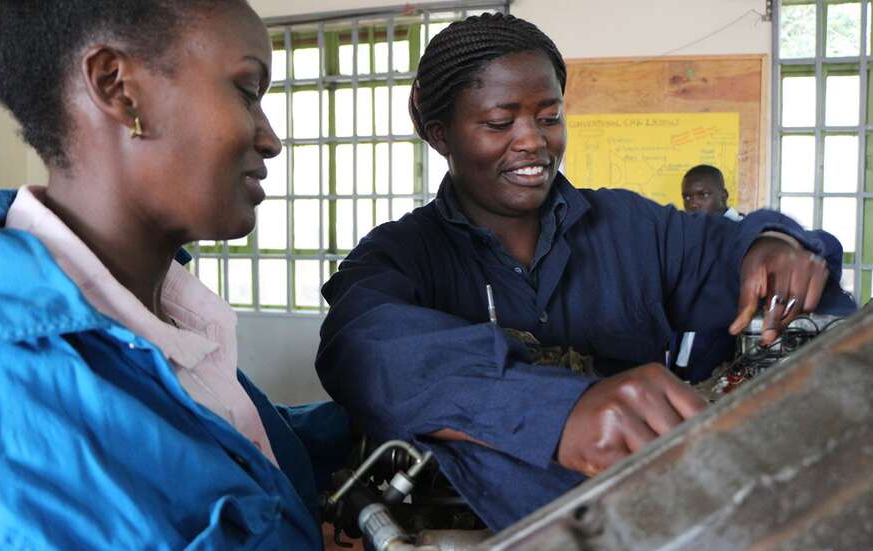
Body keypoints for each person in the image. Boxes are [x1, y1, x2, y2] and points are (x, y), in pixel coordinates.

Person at [316, 13, 855, 531]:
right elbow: (361, 345)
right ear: (440, 135)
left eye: (549, 117)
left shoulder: (629, 225)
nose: (533, 141)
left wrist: (773, 243)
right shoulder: (403, 254)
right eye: (499, 123)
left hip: (665, 514)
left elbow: (733, 246)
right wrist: (559, 410)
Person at [0, 1, 349, 548]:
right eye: (247, 91)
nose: (270, 138)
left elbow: (216, 438)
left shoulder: (162, 313)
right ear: (119, 88)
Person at [673, 165, 854, 382]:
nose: (693, 203)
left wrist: (787, 242)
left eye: (702, 194)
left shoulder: (751, 236)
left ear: (724, 195)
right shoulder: (685, 242)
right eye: (687, 197)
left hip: (732, 366)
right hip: (680, 363)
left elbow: (827, 244)